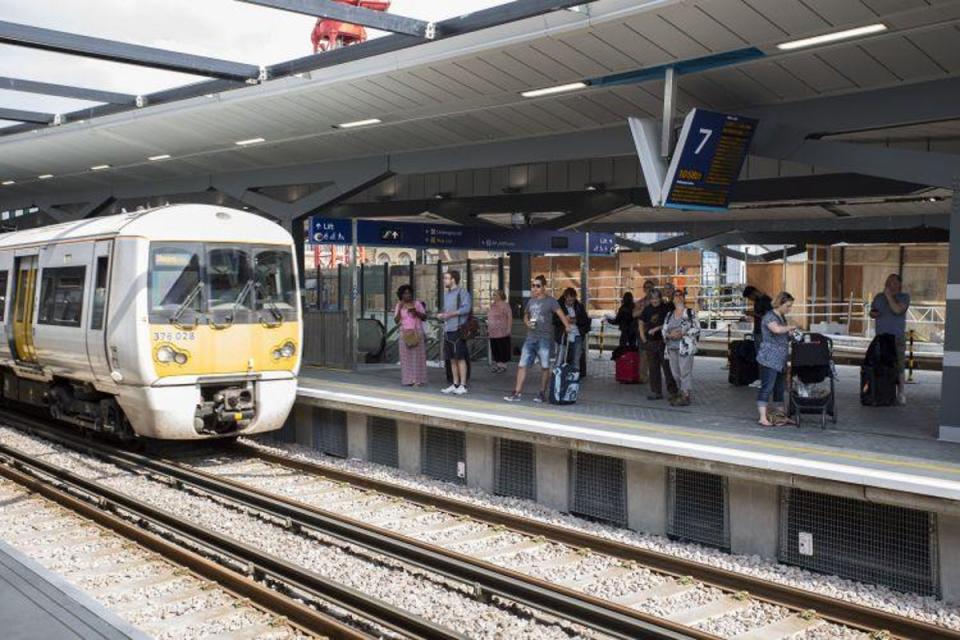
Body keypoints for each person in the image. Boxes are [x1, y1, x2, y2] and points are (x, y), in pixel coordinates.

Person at [504, 275, 571, 403]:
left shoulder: (551, 301)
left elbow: (561, 314)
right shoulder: (531, 301)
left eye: (538, 286)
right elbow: (525, 315)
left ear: (544, 287)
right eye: (533, 286)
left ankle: (542, 393)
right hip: (530, 338)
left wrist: (567, 326)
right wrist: (527, 322)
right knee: (522, 365)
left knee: (545, 367)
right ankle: (517, 393)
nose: (534, 288)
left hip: (544, 339)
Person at [756, 291, 800, 427]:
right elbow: (776, 330)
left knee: (779, 389)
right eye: (788, 306)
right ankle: (762, 417)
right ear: (780, 303)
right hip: (769, 359)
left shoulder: (782, 317)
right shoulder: (769, 316)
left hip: (780, 360)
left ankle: (780, 416)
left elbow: (783, 335)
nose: (789, 309)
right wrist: (791, 327)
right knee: (767, 387)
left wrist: (791, 334)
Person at [870, 273, 911, 405]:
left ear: (899, 284)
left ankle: (901, 393)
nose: (888, 284)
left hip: (896, 338)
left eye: (892, 282)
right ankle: (882, 392)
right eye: (887, 281)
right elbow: (872, 312)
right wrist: (873, 313)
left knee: (898, 366)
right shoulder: (878, 297)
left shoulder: (904, 297)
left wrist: (888, 296)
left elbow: (897, 310)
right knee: (880, 366)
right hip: (881, 338)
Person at [638, 288, 678, 401]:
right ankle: (656, 392)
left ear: (660, 298)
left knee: (668, 368)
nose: (654, 301)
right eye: (652, 298)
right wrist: (643, 337)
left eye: (656, 298)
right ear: (650, 299)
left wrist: (657, 328)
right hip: (651, 342)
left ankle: (673, 392)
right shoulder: (647, 309)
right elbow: (640, 322)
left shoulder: (666, 308)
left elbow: (669, 323)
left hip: (664, 342)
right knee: (653, 368)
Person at [437, 270, 472, 395]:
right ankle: (455, 383)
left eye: (446, 278)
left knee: (460, 358)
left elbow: (466, 308)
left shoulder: (462, 293)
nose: (444, 280)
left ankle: (463, 385)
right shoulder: (446, 295)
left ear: (453, 280)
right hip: (447, 329)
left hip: (458, 329)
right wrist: (442, 315)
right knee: (451, 359)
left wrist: (449, 314)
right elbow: (446, 311)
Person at [664, 289, 699, 406]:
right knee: (675, 373)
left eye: (680, 295)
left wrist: (682, 333)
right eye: (675, 295)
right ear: (672, 299)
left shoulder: (690, 313)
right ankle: (681, 392)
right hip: (671, 347)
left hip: (685, 347)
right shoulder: (669, 314)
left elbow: (697, 328)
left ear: (684, 298)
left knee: (685, 372)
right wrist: (669, 335)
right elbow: (664, 330)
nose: (678, 297)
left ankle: (686, 395)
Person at [394, 284, 427, 387]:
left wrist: (415, 312)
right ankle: (407, 380)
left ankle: (417, 380)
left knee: (417, 357)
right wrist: (399, 308)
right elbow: (396, 320)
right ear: (401, 295)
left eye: (409, 293)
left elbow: (424, 317)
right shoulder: (399, 305)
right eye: (405, 293)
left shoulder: (417, 304)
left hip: (416, 333)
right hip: (404, 333)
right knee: (405, 358)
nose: (407, 295)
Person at [554, 287, 592, 374]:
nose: (571, 302)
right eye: (569, 300)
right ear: (565, 297)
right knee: (560, 358)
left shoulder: (579, 306)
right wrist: (564, 319)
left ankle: (574, 378)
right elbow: (554, 321)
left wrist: (576, 320)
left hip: (577, 335)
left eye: (572, 300)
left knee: (576, 359)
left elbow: (585, 320)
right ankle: (557, 376)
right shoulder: (559, 307)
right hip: (564, 336)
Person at [487, 289, 513, 373]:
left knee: (502, 348)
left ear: (500, 296)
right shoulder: (492, 305)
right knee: (495, 348)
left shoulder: (505, 305)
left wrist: (509, 328)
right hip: (492, 331)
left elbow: (509, 317)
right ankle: (498, 365)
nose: (493, 296)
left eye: (495, 294)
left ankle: (503, 366)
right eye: (493, 294)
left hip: (502, 331)